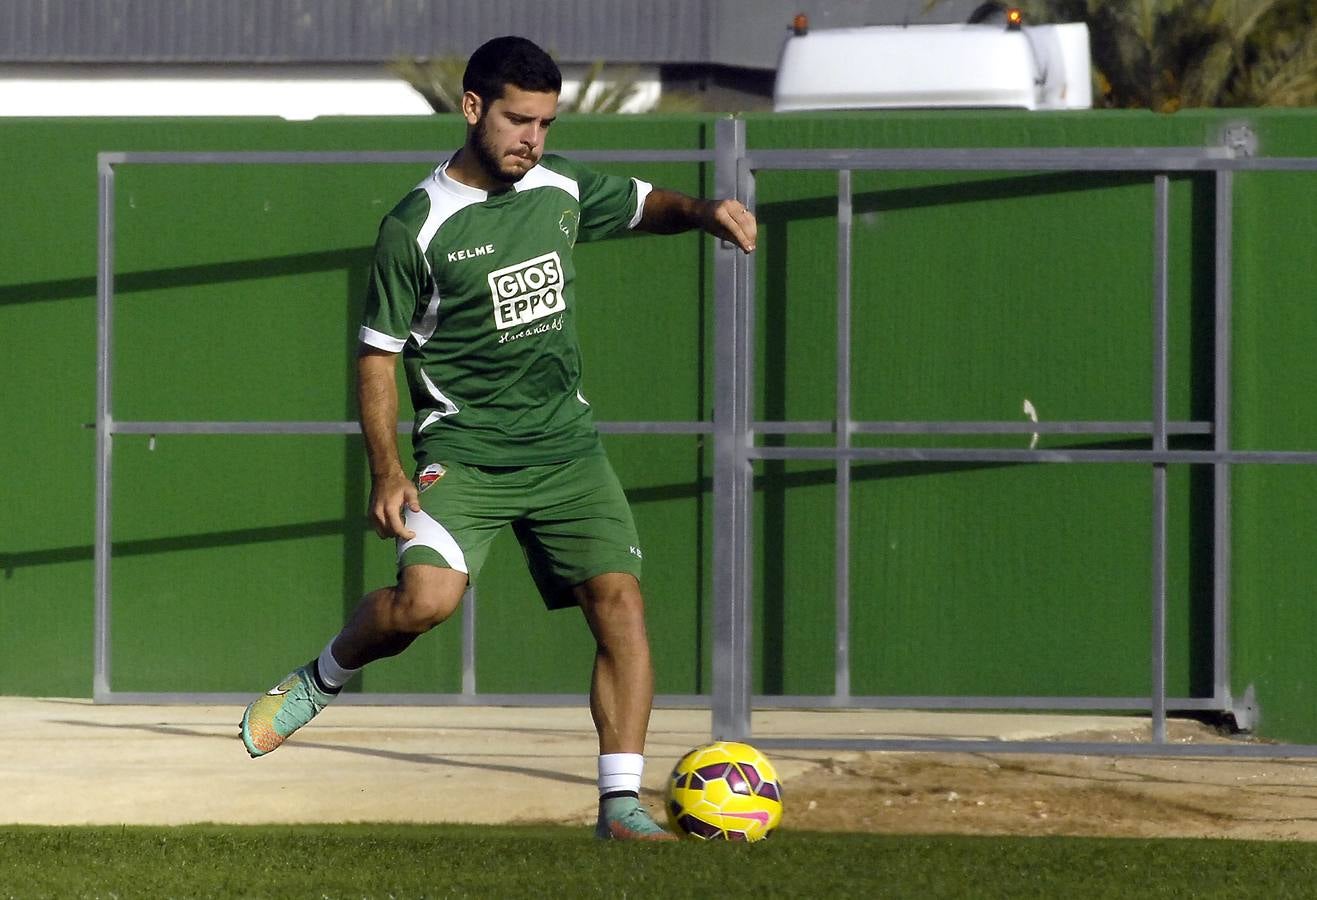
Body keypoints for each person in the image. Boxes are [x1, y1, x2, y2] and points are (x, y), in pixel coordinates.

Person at [239, 35, 757, 841]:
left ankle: (618, 807)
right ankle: (324, 675)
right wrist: (387, 470)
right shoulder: (416, 224)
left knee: (619, 603)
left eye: (545, 123)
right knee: (423, 605)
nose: (533, 139)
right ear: (473, 107)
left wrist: (702, 214)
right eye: (519, 120)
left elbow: (644, 201)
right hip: (468, 455)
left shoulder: (558, 186)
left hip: (566, 452)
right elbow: (378, 353)